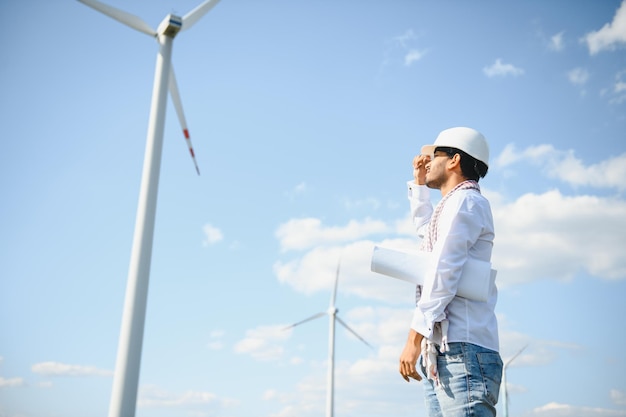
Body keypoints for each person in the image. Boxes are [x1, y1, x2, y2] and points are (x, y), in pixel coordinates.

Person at [398, 127, 503, 417]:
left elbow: (442, 270)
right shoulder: (455, 203)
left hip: (463, 353)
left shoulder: (465, 202)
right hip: (449, 353)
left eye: (433, 156)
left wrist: (413, 339)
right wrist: (419, 185)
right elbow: (429, 233)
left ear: (454, 160)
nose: (425, 162)